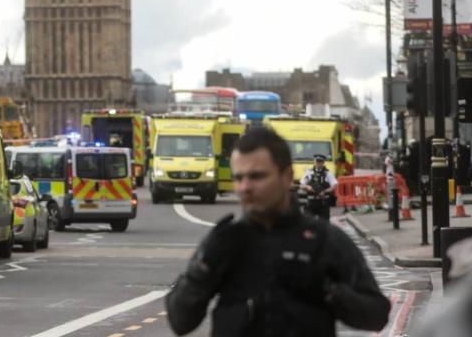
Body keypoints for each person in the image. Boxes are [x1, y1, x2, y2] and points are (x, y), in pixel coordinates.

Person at [166, 126, 389, 337]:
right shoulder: (226, 240)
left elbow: (377, 314)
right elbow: (180, 321)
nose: (245, 187)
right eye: (238, 178)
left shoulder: (324, 240)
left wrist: (329, 291)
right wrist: (202, 269)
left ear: (287, 176)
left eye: (257, 176)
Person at [300, 153, 338, 220]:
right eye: (317, 161)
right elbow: (301, 185)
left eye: (320, 161)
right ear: (314, 161)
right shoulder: (309, 172)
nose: (318, 163)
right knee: (308, 224)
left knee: (324, 225)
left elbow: (334, 185)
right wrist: (307, 187)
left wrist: (324, 191)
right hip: (311, 202)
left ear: (323, 162)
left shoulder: (327, 173)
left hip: (323, 203)